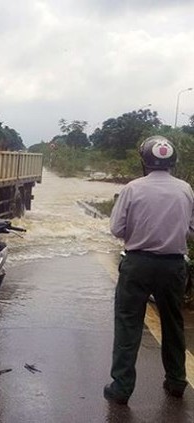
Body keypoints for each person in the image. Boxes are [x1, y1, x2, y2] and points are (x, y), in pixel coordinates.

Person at [104, 135, 194, 405]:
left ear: (144, 160)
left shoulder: (132, 188)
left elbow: (116, 229)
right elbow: (192, 229)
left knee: (128, 324)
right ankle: (177, 381)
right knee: (173, 323)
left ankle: (122, 388)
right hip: (174, 266)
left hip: (138, 265)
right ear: (172, 160)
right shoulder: (186, 189)